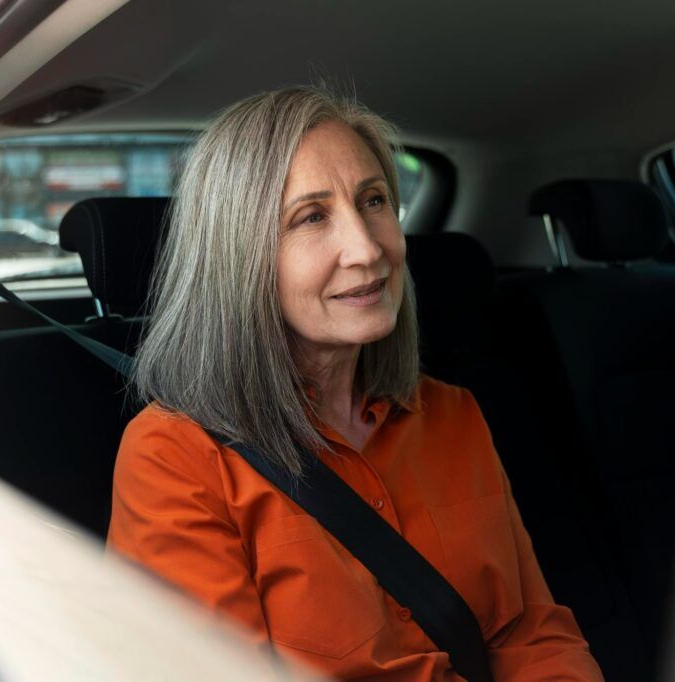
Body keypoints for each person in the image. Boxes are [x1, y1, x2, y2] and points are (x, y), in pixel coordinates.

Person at [107, 86, 603, 681]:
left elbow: (530, 633)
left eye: (374, 201)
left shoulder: (452, 413)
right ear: (239, 257)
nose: (367, 248)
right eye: (311, 217)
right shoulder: (176, 456)